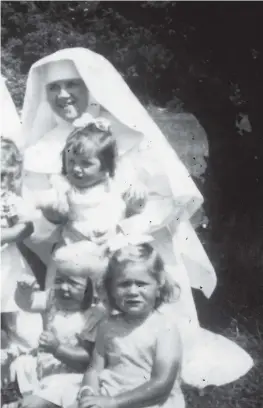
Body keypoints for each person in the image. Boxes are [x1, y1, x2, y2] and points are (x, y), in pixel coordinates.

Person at [20, 47, 253, 387]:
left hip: (133, 249)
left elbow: (169, 198)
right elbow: (39, 226)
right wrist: (55, 220)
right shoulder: (42, 149)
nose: (63, 94)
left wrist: (124, 230)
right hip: (76, 256)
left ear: (92, 86)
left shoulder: (129, 134)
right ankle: (78, 358)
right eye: (53, 87)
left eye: (73, 84)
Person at [33, 116, 147, 288]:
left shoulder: (115, 187)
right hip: (72, 254)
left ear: (106, 168)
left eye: (86, 164)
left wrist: (136, 203)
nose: (76, 169)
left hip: (109, 253)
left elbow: (134, 212)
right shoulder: (64, 187)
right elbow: (41, 201)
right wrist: (49, 206)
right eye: (71, 161)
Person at [77, 242, 184, 408]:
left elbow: (162, 383)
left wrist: (113, 402)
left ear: (158, 286)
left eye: (141, 284)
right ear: (110, 288)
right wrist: (88, 392)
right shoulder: (107, 325)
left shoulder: (165, 328)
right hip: (110, 396)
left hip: (149, 401)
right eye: (124, 284)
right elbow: (94, 369)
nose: (133, 292)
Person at [10, 243, 106, 408]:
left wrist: (57, 349)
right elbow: (28, 304)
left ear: (91, 287)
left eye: (73, 283)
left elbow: (87, 358)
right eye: (59, 280)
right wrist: (23, 293)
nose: (63, 287)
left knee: (33, 404)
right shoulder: (52, 300)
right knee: (22, 366)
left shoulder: (94, 315)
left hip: (72, 377)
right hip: (45, 369)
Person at [1, 138, 44, 369]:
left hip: (6, 264)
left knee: (12, 310)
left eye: (2, 176)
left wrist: (6, 234)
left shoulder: (8, 201)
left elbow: (27, 226)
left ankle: (26, 353)